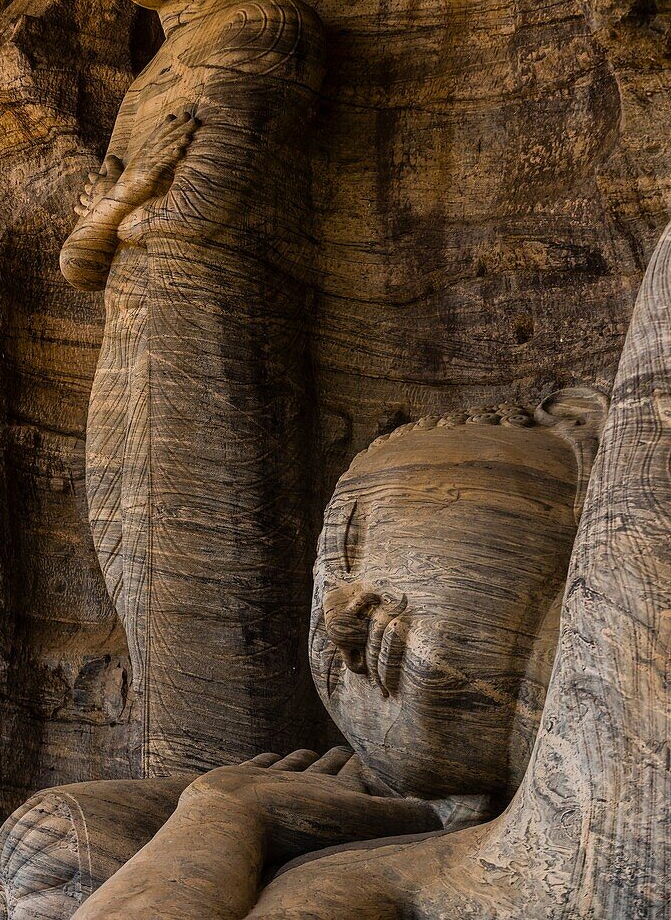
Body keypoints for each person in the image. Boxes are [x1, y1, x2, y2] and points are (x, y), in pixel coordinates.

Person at [69, 392, 605, 920]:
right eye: (327, 666)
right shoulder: (374, 880)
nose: (339, 619)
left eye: (354, 538)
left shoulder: (630, 517)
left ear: (580, 421)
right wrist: (222, 812)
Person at [59, 0, 326, 775]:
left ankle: (233, 783)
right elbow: (78, 257)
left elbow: (200, 210)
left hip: (216, 320)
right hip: (130, 322)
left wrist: (125, 214)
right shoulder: (148, 79)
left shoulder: (265, 28)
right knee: (124, 535)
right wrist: (132, 201)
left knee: (206, 548)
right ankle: (173, 780)